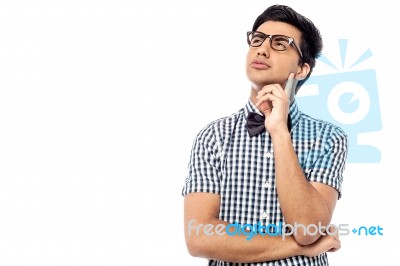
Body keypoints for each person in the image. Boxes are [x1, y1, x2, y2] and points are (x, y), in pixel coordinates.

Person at [182, 4, 348, 266]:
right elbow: (199, 239)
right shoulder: (213, 136)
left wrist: (280, 132)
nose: (262, 48)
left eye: (280, 43)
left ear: (302, 69)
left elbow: (307, 228)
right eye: (257, 39)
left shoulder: (328, 138)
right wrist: (298, 247)